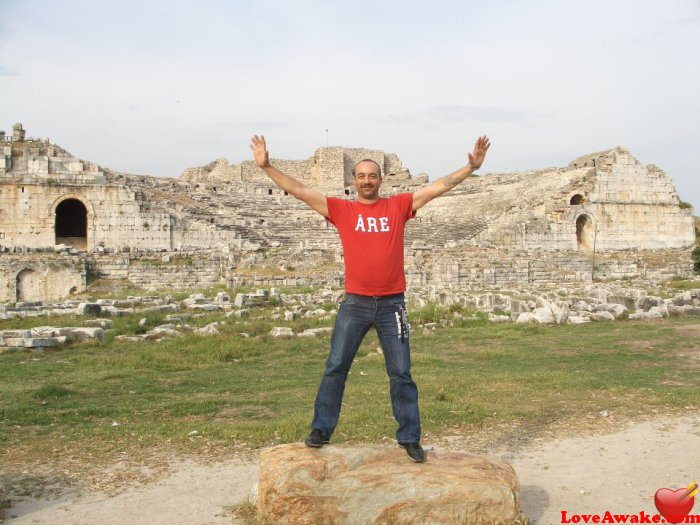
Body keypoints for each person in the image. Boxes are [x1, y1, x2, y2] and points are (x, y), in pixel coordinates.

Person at [250, 134, 490, 462]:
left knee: (401, 372)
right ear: (354, 180)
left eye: (372, 175)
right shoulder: (341, 209)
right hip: (355, 303)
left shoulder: (398, 205)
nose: (366, 180)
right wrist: (266, 166)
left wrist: (470, 167)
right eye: (361, 176)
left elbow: (438, 188)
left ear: (381, 180)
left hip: (392, 304)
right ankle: (321, 429)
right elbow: (300, 191)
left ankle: (409, 437)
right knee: (335, 366)